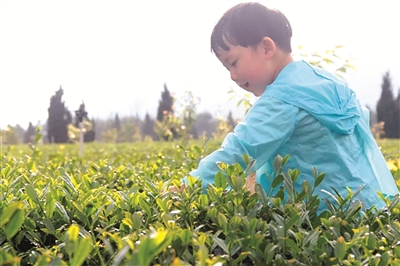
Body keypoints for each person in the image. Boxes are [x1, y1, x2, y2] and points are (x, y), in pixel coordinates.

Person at [183, 2, 398, 211]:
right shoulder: (330, 83)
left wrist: (186, 188)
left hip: (318, 221)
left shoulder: (281, 101)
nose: (232, 76)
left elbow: (240, 151)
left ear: (267, 47)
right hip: (364, 208)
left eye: (234, 63)